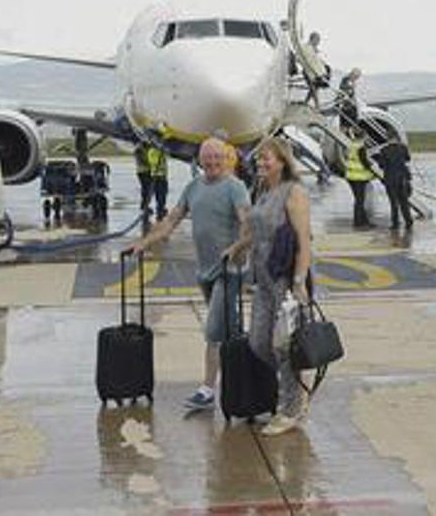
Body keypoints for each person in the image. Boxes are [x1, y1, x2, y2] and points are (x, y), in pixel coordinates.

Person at [125, 138, 250, 411]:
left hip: (230, 270)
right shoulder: (193, 187)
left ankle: (207, 389)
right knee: (230, 328)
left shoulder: (235, 187)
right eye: (208, 158)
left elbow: (247, 223)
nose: (213, 163)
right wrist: (143, 243)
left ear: (226, 159)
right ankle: (247, 370)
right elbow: (171, 221)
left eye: (218, 157)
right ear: (200, 161)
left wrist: (238, 248)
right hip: (205, 270)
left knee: (214, 330)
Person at [223, 138, 313, 436]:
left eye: (267, 159)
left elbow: (303, 242)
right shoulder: (263, 190)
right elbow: (256, 230)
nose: (260, 164)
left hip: (286, 279)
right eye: (259, 159)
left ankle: (290, 408)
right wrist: (238, 246)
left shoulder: (294, 192)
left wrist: (299, 283)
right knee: (259, 342)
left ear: (283, 162)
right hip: (261, 279)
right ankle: (296, 386)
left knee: (284, 344)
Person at [373, 138, 413, 230]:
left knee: (393, 202)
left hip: (390, 179)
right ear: (396, 139)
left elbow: (382, 165)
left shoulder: (384, 150)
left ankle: (395, 224)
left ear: (388, 140)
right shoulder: (403, 147)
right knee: (404, 201)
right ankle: (408, 221)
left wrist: (378, 158)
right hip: (402, 178)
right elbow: (408, 159)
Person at [345, 129, 375, 228]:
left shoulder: (351, 145)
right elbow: (364, 163)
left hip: (350, 176)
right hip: (359, 177)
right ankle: (358, 223)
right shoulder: (361, 147)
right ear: (363, 136)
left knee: (358, 200)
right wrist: (372, 169)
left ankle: (364, 221)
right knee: (360, 201)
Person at [134, 141, 168, 221]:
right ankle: (149, 207)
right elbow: (148, 161)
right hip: (147, 173)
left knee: (151, 191)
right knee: (150, 191)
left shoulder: (149, 150)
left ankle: (150, 207)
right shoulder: (146, 150)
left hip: (150, 173)